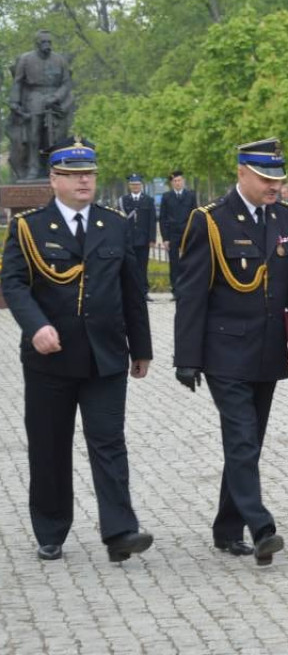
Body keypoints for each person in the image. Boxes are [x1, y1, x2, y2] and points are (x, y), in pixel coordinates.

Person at [1, 137, 154, 562]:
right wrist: (36, 326)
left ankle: (120, 531)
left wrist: (141, 348)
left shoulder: (114, 224)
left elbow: (132, 290)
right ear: (54, 180)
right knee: (49, 444)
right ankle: (51, 529)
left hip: (105, 354)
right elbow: (13, 283)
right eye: (73, 175)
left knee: (109, 442)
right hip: (50, 358)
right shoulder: (29, 227)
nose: (84, 181)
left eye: (88, 174)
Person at [173, 139, 288, 566]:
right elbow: (192, 293)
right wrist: (187, 357)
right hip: (224, 351)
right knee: (242, 438)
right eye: (265, 179)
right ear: (242, 173)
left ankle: (227, 528)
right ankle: (261, 527)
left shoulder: (287, 218)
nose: (274, 187)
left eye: (278, 179)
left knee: (249, 443)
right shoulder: (210, 221)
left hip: (268, 350)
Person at [6, 30, 74, 180]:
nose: (47, 45)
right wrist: (14, 101)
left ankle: (54, 166)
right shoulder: (26, 59)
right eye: (44, 42)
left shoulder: (59, 60)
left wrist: (56, 97)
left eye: (49, 42)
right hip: (34, 97)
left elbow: (66, 83)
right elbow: (18, 82)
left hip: (55, 99)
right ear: (37, 43)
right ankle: (33, 167)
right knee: (33, 136)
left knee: (55, 136)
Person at [159, 170, 197, 297]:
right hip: (172, 234)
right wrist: (165, 238)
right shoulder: (166, 197)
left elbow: (195, 216)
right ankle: (176, 290)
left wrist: (194, 234)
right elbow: (163, 218)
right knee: (174, 263)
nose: (177, 183)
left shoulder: (190, 195)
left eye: (179, 180)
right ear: (172, 183)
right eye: (175, 181)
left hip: (187, 233)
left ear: (183, 181)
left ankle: (189, 288)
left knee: (189, 261)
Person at [119, 173, 157, 300]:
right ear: (129, 186)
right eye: (133, 185)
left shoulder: (148, 200)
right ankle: (130, 292)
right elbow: (119, 220)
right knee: (129, 266)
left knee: (142, 266)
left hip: (143, 239)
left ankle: (143, 292)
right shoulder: (123, 200)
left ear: (141, 185)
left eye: (137, 184)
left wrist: (152, 239)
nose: (135, 187)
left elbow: (152, 221)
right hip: (128, 239)